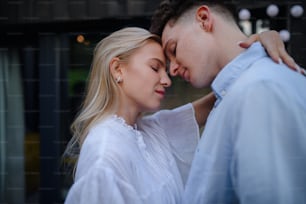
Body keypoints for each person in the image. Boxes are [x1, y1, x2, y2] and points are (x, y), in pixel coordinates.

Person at [64, 27, 297, 203]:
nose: (166, 80)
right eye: (155, 67)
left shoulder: (151, 130)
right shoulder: (105, 152)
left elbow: (224, 91)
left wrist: (260, 45)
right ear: (117, 69)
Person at [150, 0, 306, 204]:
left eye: (174, 49)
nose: (173, 70)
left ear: (204, 19)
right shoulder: (237, 93)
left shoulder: (257, 91)